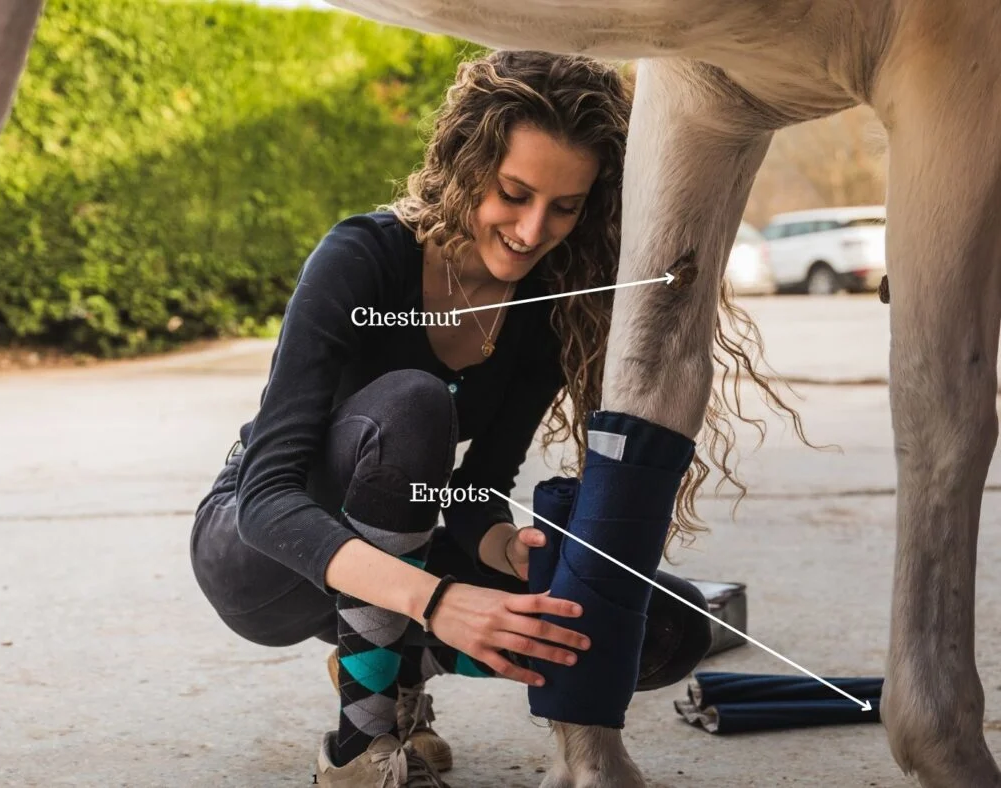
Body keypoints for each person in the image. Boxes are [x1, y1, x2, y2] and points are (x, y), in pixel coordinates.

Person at [190, 50, 701, 787]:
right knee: (414, 404)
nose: (533, 230)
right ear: (469, 164)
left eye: (564, 206)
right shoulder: (362, 256)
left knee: (660, 625)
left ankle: (382, 665)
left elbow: (474, 489)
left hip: (397, 552)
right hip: (261, 552)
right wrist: (438, 599)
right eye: (514, 193)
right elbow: (268, 500)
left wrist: (507, 550)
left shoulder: (542, 308)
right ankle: (359, 748)